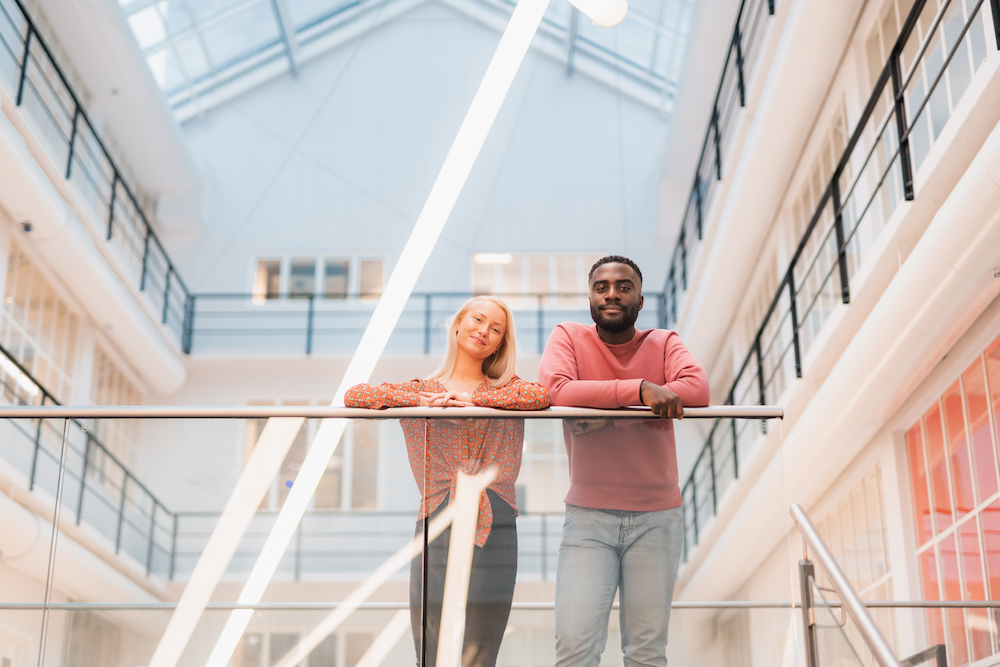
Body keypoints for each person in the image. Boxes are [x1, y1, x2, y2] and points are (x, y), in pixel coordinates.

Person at [345, 296, 549, 667]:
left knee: (481, 648)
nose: (484, 331)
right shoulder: (421, 389)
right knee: (431, 645)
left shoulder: (506, 389)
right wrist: (423, 402)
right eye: (478, 320)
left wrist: (473, 400)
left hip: (496, 520)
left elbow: (539, 396)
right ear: (458, 323)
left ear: (501, 342)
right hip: (437, 516)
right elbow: (355, 395)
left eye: (496, 329)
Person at [538, 255, 709, 667]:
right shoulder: (569, 335)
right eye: (602, 287)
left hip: (658, 518)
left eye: (623, 286)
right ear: (590, 297)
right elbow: (556, 391)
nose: (612, 293)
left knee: (647, 653)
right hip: (588, 518)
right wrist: (642, 390)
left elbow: (696, 390)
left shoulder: (664, 342)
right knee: (575, 650)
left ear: (640, 299)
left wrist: (600, 413)